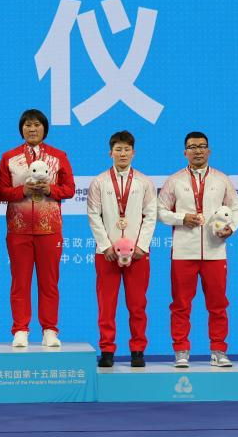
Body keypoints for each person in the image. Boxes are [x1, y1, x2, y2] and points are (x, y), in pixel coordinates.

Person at [158, 131, 238, 369]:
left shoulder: (221, 179)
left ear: (209, 150)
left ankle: (218, 350)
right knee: (180, 304)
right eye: (192, 147)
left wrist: (232, 228)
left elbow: (236, 208)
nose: (197, 151)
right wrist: (181, 218)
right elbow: (160, 211)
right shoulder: (174, 180)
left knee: (218, 304)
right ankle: (181, 351)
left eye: (202, 146)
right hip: (183, 252)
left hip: (215, 252)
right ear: (185, 152)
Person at [0, 109, 76, 348]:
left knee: (49, 283)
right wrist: (22, 191)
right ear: (21, 129)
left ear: (44, 128)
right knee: (19, 282)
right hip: (18, 229)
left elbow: (70, 189)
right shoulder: (9, 157)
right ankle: (20, 329)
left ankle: (50, 330)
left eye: (37, 125)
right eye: (28, 125)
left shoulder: (58, 156)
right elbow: (0, 192)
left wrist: (51, 190)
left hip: (49, 229)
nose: (32, 129)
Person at [87, 131, 157, 368]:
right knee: (106, 305)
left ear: (133, 153)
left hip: (137, 254)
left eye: (127, 149)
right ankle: (107, 350)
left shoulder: (144, 182)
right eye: (118, 149)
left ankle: (137, 350)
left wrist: (141, 246)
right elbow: (93, 215)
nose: (123, 154)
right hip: (106, 254)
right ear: (110, 153)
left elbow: (151, 216)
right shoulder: (99, 182)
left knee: (137, 305)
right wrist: (105, 245)